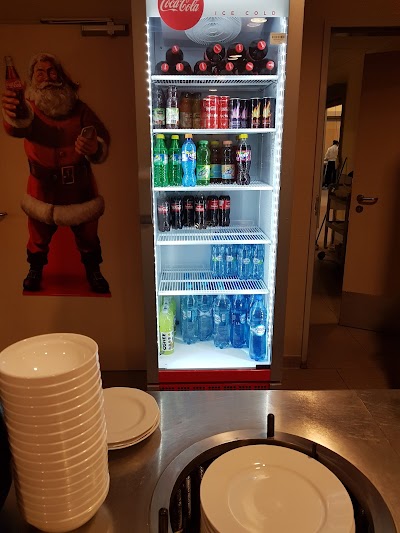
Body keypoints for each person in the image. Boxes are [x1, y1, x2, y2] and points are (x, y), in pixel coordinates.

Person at [1, 52, 110, 293]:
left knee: (88, 237)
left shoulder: (80, 109)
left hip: (79, 189)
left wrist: (94, 146)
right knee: (37, 237)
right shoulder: (29, 109)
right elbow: (17, 124)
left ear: (61, 76)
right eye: (40, 73)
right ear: (32, 79)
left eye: (52, 71)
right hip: (41, 190)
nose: (48, 78)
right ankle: (35, 268)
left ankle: (93, 270)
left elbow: (102, 136)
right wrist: (12, 111)